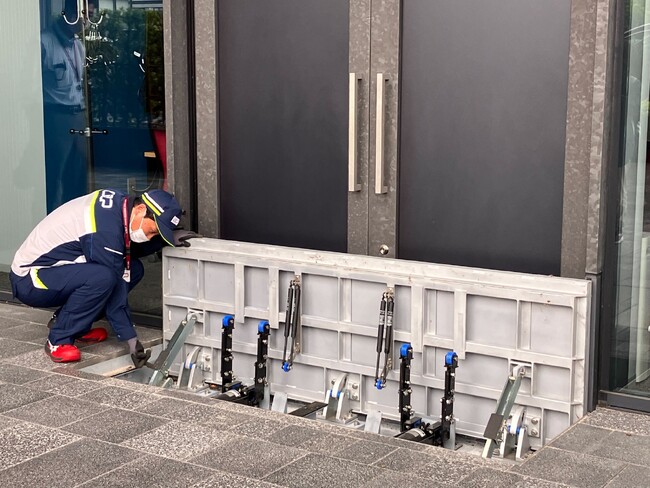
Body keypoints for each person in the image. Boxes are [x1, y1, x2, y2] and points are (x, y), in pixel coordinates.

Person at [9, 189, 199, 365]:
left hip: (56, 270)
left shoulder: (121, 208)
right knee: (102, 278)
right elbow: (115, 288)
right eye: (153, 231)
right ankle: (58, 340)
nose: (150, 237)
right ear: (141, 209)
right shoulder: (104, 229)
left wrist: (164, 242)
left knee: (133, 269)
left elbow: (124, 249)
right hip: (30, 279)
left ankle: (74, 324)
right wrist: (131, 340)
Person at [41, 0, 97, 212]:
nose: (86, 22)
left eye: (90, 16)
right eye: (84, 15)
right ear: (70, 14)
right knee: (55, 172)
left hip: (78, 113)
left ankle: (75, 216)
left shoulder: (78, 45)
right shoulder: (45, 42)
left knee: (78, 172)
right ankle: (51, 216)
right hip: (56, 114)